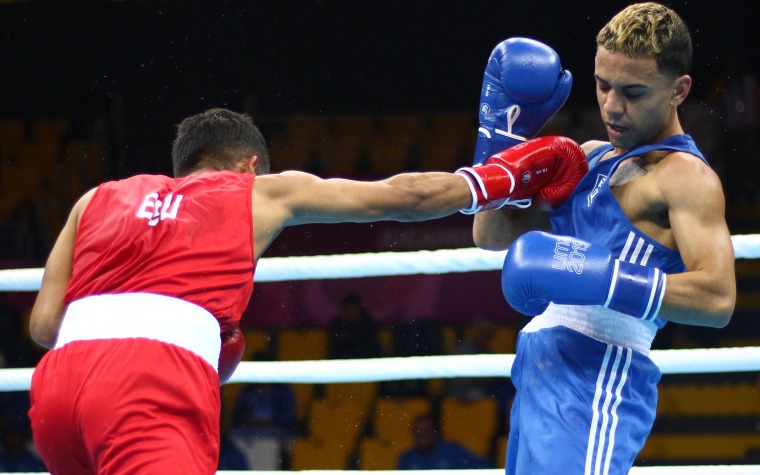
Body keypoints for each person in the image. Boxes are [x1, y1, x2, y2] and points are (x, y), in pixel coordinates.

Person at [27, 106, 586, 475]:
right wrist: (507, 174)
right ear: (250, 165)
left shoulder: (96, 197)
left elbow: (44, 326)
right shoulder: (257, 191)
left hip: (57, 396)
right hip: (146, 386)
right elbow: (401, 196)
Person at [470, 5, 736, 475]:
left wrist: (608, 278)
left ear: (679, 90)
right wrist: (502, 144)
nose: (612, 105)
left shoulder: (685, 177)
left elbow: (718, 299)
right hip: (539, 368)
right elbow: (491, 235)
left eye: (633, 92)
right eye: (603, 84)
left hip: (598, 373)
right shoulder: (590, 158)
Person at [396, 413, 491, 470]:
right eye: (418, 432)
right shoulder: (406, 458)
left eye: (426, 431)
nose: (422, 436)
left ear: (434, 432)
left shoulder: (453, 451)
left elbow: (484, 468)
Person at [327, 291, 383, 359]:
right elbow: (335, 350)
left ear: (358, 308)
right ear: (343, 309)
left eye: (352, 307)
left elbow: (371, 347)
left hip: (366, 360)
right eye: (347, 308)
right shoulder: (337, 325)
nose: (350, 311)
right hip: (343, 362)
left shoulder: (368, 323)